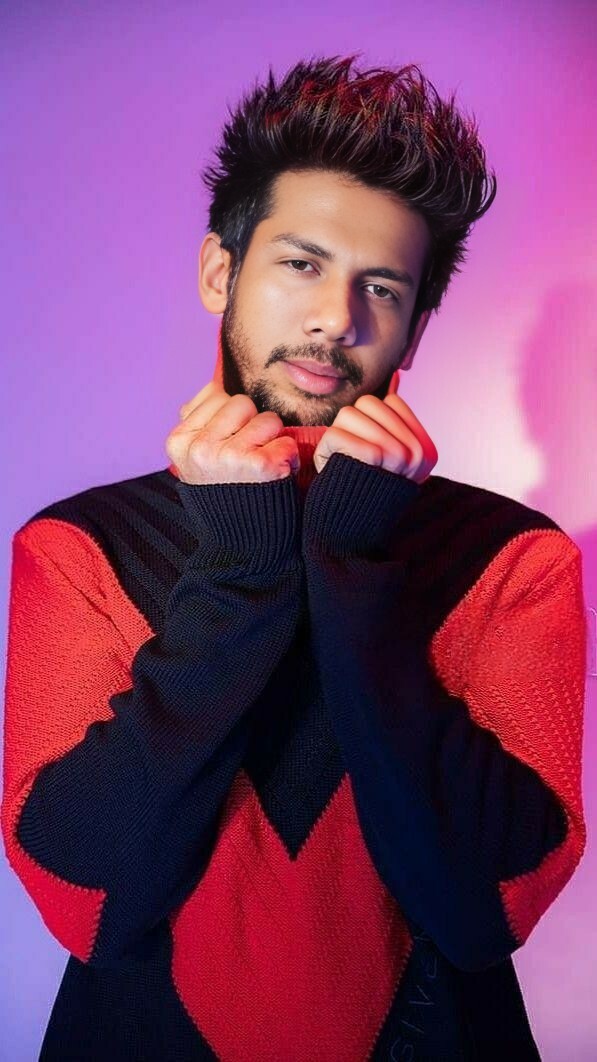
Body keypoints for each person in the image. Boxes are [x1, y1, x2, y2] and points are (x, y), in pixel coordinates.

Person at [1, 54, 587, 1062]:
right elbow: (88, 897)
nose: (336, 318)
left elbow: (482, 908)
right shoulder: (79, 548)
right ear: (220, 273)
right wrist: (239, 564)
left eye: (381, 287)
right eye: (301, 264)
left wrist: (352, 565)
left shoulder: (514, 562)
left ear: (415, 325)